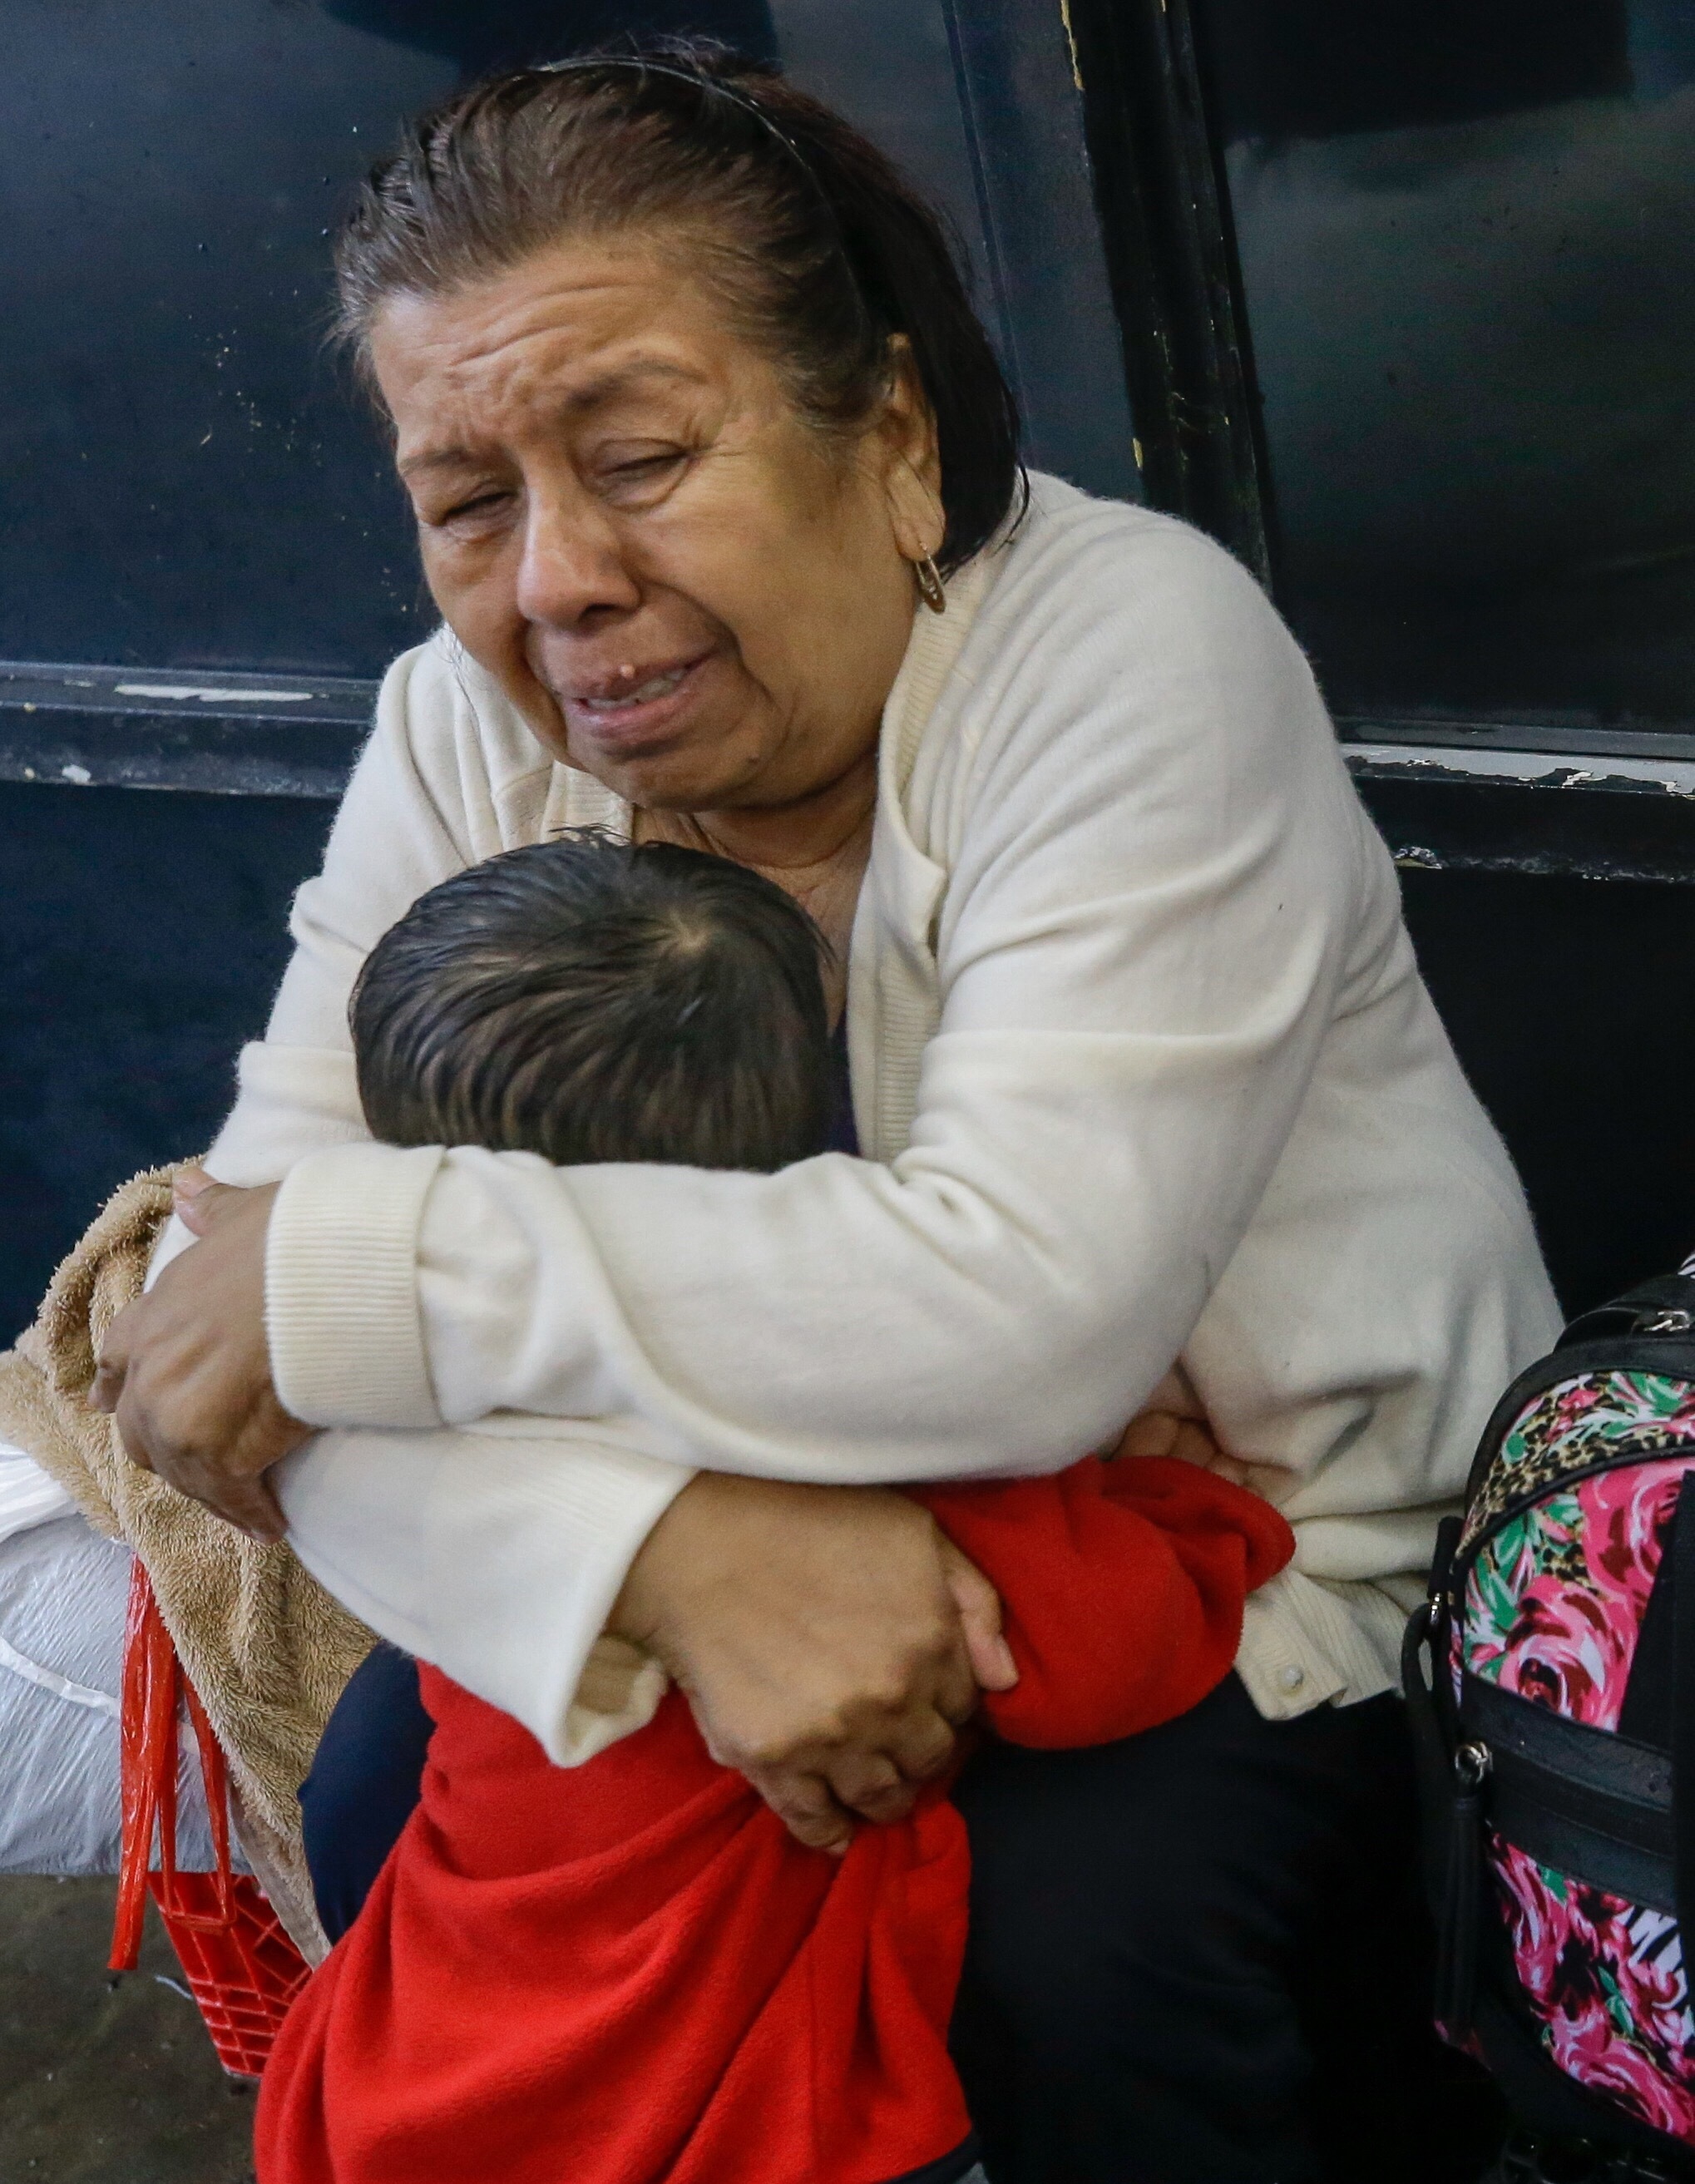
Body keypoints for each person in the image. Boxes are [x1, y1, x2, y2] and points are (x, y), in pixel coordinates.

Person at [91, 46, 1560, 2182]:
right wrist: (665, 1552)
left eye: (644, 455)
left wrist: (363, 1269)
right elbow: (218, 1371)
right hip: (728, 1479)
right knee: (381, 1794)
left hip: (1254, 1550)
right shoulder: (458, 722)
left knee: (1073, 1950)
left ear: (889, 425)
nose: (560, 578)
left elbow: (1022, 1310)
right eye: (469, 501)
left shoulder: (1125, 646)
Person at [256, 828, 1293, 2184]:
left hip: (411, 2061)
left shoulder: (433, 1399)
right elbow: (1099, 1655)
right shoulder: (869, 1414)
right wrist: (1180, 1501)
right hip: (709, 2114)